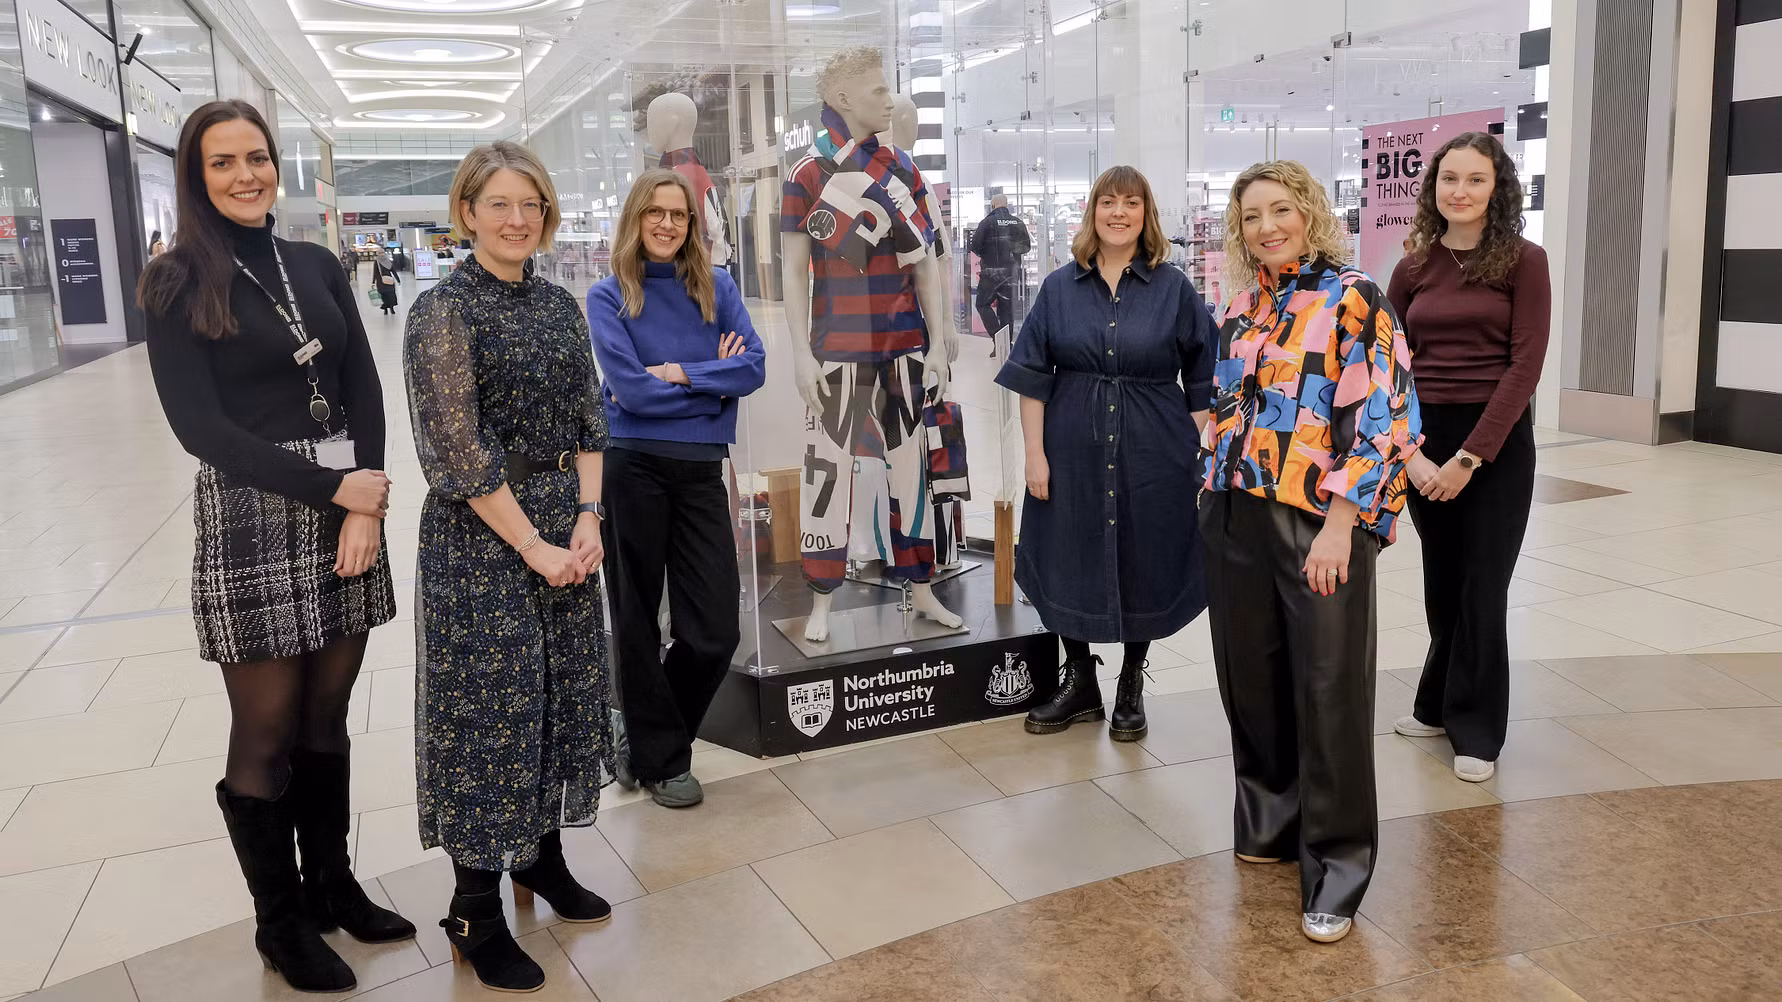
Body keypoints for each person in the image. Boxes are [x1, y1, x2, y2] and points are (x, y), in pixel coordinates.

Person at [137, 99, 412, 995]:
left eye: (257, 156)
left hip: (346, 505)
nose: (246, 175)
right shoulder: (177, 279)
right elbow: (198, 428)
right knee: (265, 728)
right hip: (252, 510)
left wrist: (363, 499)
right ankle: (280, 922)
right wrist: (334, 487)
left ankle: (333, 888)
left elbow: (361, 386)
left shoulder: (317, 263)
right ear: (196, 176)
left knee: (327, 714)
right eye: (223, 163)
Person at [404, 141, 617, 994]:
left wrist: (591, 517)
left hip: (568, 528)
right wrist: (532, 543)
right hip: (482, 541)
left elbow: (588, 420)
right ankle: (473, 909)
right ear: (466, 213)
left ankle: (541, 859)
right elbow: (455, 450)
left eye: (530, 204)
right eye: (498, 204)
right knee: (488, 715)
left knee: (560, 694)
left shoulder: (561, 307)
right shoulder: (442, 311)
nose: (517, 219)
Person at [1199, 160, 1421, 945]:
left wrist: (1339, 525)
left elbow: (1388, 421)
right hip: (1235, 514)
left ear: (1310, 212)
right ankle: (1271, 820)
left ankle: (1336, 866)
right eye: (1252, 215)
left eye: (1281, 210)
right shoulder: (1241, 304)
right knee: (1250, 681)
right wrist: (1210, 484)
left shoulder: (1355, 297)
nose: (1267, 226)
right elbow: (1227, 407)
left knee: (1329, 691)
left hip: (1316, 520)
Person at [995, 165, 1215, 742]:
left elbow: (1201, 378)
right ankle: (1080, 681)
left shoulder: (1173, 289)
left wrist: (1202, 454)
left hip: (1155, 448)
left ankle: (1131, 683)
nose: (1119, 213)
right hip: (1071, 445)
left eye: (1132, 203)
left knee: (1143, 551)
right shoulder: (1058, 288)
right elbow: (1032, 379)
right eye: (1108, 202)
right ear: (1093, 212)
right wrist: (1034, 456)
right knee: (1069, 549)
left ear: (1147, 214)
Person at [588, 167, 765, 808]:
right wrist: (708, 385)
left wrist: (680, 373)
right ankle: (663, 760)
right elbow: (628, 392)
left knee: (714, 629)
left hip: (698, 473)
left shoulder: (717, 287)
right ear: (636, 218)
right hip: (630, 467)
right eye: (655, 212)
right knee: (635, 618)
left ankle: (639, 737)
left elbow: (752, 370)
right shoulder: (610, 297)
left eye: (679, 215)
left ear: (693, 224)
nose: (667, 224)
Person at [1389, 132, 1550, 784]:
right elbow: (1385, 366)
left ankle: (1477, 728)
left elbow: (1526, 364)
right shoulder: (1412, 267)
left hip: (1496, 443)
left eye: (1475, 180)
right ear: (1434, 188)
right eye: (1449, 178)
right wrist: (1412, 452)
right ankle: (1434, 702)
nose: (1459, 190)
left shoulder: (1522, 260)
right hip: (1426, 439)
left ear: (1497, 187)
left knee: (1483, 587)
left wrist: (1469, 458)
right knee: (1443, 583)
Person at [973, 194, 1032, 356]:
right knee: (1006, 309)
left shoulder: (986, 223)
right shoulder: (1017, 223)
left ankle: (998, 339)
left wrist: (989, 256)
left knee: (982, 304)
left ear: (993, 205)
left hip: (991, 274)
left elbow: (975, 246)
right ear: (1007, 205)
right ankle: (1006, 345)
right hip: (1011, 273)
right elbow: (1026, 247)